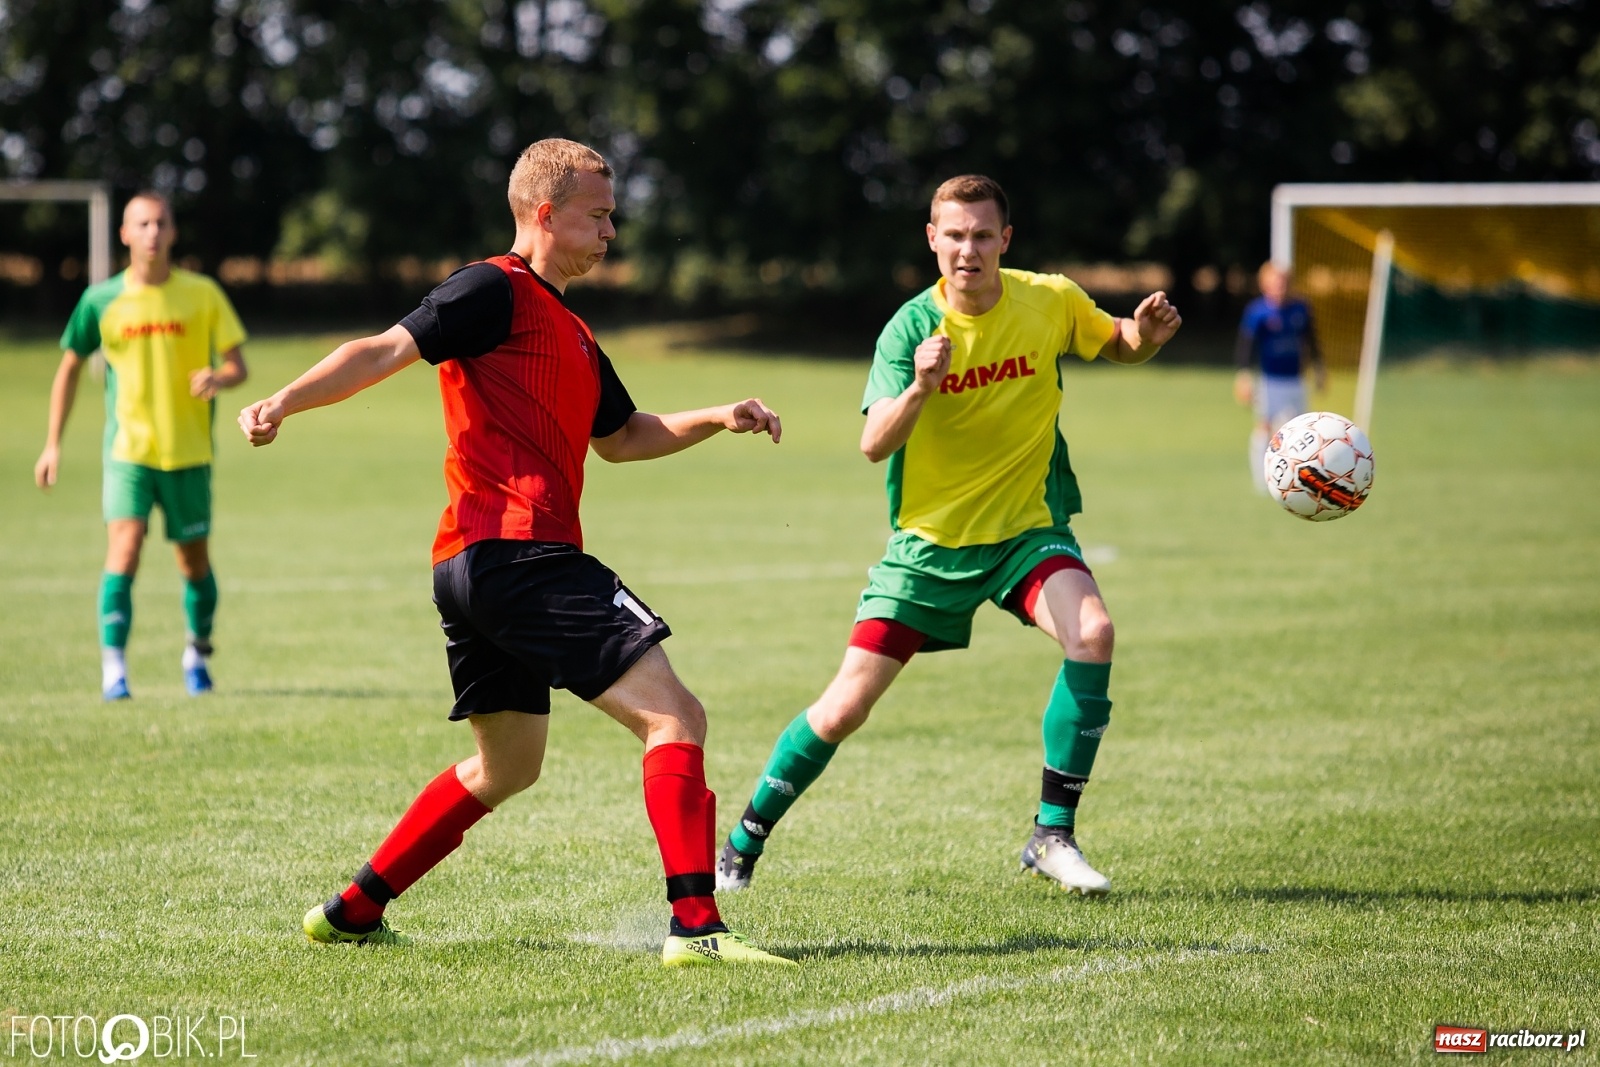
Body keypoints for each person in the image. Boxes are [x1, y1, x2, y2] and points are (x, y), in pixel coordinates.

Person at [238, 138, 794, 967]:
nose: (612, 230)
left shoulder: (569, 327)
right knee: (674, 715)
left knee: (507, 766)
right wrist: (283, 399)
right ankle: (697, 927)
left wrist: (716, 415)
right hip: (520, 551)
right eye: (598, 215)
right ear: (545, 213)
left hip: (471, 566)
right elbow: (385, 349)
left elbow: (624, 437)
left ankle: (353, 910)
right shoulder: (493, 288)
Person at [716, 175, 1181, 898]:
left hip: (1025, 530)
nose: (969, 250)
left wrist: (1142, 338)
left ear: (1006, 240)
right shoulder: (910, 329)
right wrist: (921, 385)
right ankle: (742, 843)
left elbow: (1114, 340)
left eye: (983, 235)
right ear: (932, 239)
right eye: (955, 235)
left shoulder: (1049, 299)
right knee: (844, 707)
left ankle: (1051, 834)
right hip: (930, 546)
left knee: (1093, 632)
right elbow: (874, 442)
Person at [35, 191, 249, 700]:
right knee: (124, 550)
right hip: (127, 453)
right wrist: (51, 445)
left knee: (193, 562)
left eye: (161, 223)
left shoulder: (203, 294)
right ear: (125, 234)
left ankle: (197, 652)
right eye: (142, 224)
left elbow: (239, 365)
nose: (153, 232)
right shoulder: (101, 300)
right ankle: (115, 669)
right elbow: (68, 367)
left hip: (189, 452)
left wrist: (219, 377)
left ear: (173, 232)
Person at [1234, 261, 1326, 489]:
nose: (1280, 287)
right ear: (1265, 285)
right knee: (1265, 427)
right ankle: (1262, 479)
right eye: (1275, 282)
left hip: (1296, 379)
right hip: (1270, 381)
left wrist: (1319, 368)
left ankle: (1299, 479)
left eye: (1284, 282)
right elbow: (1245, 345)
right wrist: (1243, 375)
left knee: (1302, 432)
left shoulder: (1301, 308)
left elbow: (1312, 340)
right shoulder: (1258, 311)